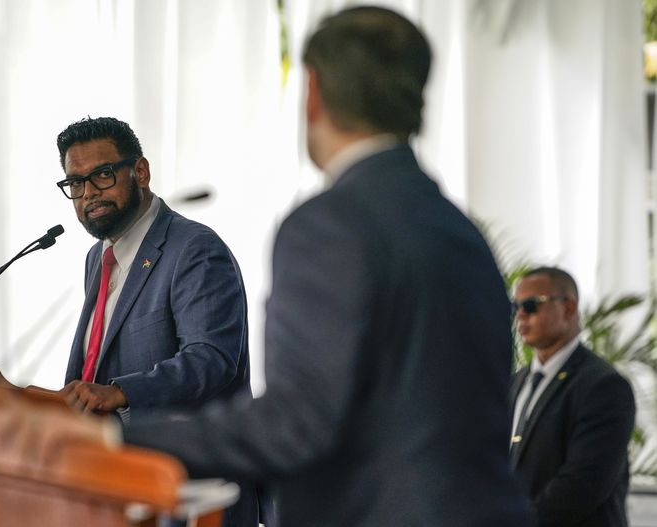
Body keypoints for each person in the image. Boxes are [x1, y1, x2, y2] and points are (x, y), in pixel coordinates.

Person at [120, 6, 533, 526]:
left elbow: (295, 423)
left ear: (312, 90)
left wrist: (110, 437)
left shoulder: (328, 224)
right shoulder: (460, 231)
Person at [55, 116, 257, 526]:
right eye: (75, 183)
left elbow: (212, 359)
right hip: (120, 486)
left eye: (103, 175)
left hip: (191, 492)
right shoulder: (98, 259)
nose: (88, 193)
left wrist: (119, 392)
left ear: (140, 171)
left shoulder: (196, 250)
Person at [510, 267, 635, 526]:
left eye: (532, 305)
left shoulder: (603, 386)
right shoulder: (516, 382)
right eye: (516, 306)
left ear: (567, 308)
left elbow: (583, 485)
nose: (521, 315)